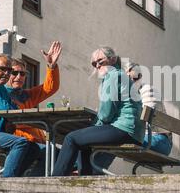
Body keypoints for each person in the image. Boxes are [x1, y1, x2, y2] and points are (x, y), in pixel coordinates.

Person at [52, 47, 144, 176]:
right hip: (134, 132)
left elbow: (106, 114)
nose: (97, 65)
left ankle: (55, 181)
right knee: (83, 141)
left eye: (100, 60)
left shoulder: (113, 75)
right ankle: (85, 181)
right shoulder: (121, 75)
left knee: (71, 138)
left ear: (113, 59)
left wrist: (95, 125)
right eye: (94, 63)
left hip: (124, 129)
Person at [6, 41, 62, 176]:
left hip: (34, 141)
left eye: (23, 73)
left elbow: (49, 88)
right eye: (15, 73)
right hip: (18, 142)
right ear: (6, 73)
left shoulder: (26, 95)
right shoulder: (0, 95)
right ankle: (32, 181)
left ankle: (32, 179)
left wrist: (51, 66)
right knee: (55, 154)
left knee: (66, 155)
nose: (19, 77)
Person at [125, 62, 173, 156]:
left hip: (157, 139)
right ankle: (96, 169)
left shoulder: (147, 90)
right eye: (128, 79)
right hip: (146, 137)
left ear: (140, 77)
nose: (132, 81)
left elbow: (148, 120)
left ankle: (96, 169)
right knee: (109, 140)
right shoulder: (128, 95)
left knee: (115, 139)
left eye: (135, 77)